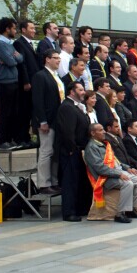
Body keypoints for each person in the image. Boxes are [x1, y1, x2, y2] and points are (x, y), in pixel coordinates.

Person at [84, 123, 137, 223]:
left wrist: (128, 168)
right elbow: (100, 168)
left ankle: (134, 209)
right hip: (105, 177)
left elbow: (116, 160)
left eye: (103, 129)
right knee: (127, 183)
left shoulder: (104, 143)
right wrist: (119, 174)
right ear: (93, 133)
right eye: (100, 130)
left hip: (117, 171)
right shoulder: (92, 147)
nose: (104, 132)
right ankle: (120, 213)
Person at [56, 81, 91, 221]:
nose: (83, 92)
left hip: (79, 150)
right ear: (72, 91)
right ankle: (69, 212)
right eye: (80, 90)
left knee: (79, 180)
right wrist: (72, 148)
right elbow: (68, 131)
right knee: (70, 182)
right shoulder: (67, 107)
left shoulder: (76, 106)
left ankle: (80, 208)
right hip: (71, 151)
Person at [32, 49, 65, 193]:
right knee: (46, 151)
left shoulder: (56, 76)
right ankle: (44, 183)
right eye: (55, 58)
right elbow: (38, 100)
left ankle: (54, 181)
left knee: (55, 152)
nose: (58, 60)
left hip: (58, 120)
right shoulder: (40, 76)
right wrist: (42, 121)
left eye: (59, 58)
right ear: (47, 59)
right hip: (47, 121)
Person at [0, 17, 24, 149]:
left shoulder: (9, 44)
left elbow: (20, 58)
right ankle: (2, 141)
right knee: (5, 112)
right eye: (14, 28)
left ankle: (10, 138)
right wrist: (12, 57)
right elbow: (11, 61)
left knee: (13, 112)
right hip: (4, 83)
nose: (15, 31)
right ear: (7, 29)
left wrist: (11, 57)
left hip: (13, 82)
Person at [14, 20, 40, 147]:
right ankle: (21, 138)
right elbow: (22, 63)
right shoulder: (19, 43)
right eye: (31, 28)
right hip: (26, 83)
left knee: (29, 110)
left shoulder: (30, 44)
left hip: (33, 82)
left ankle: (26, 137)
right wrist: (26, 81)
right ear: (23, 29)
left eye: (34, 28)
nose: (34, 31)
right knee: (23, 110)